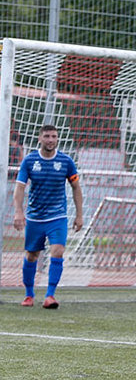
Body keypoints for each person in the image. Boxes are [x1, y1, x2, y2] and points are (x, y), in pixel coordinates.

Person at [12, 124, 84, 309]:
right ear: (40, 138)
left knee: (58, 251)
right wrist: (19, 212)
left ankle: (50, 295)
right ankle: (29, 295)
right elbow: (20, 187)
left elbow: (76, 188)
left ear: (57, 138)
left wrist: (79, 215)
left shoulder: (66, 161)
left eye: (54, 136)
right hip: (35, 217)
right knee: (32, 255)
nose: (51, 140)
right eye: (47, 136)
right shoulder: (29, 161)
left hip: (57, 216)